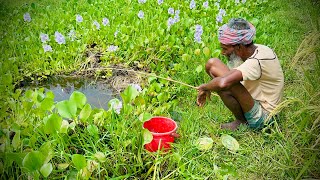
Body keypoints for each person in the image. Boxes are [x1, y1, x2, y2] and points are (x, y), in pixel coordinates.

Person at [196, 18, 284, 130]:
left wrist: (205, 87)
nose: (223, 53)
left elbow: (223, 83)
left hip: (265, 118)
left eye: (225, 49)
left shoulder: (255, 62)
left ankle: (242, 122)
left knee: (223, 83)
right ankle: (243, 117)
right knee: (212, 64)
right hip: (254, 100)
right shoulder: (260, 49)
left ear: (239, 47)